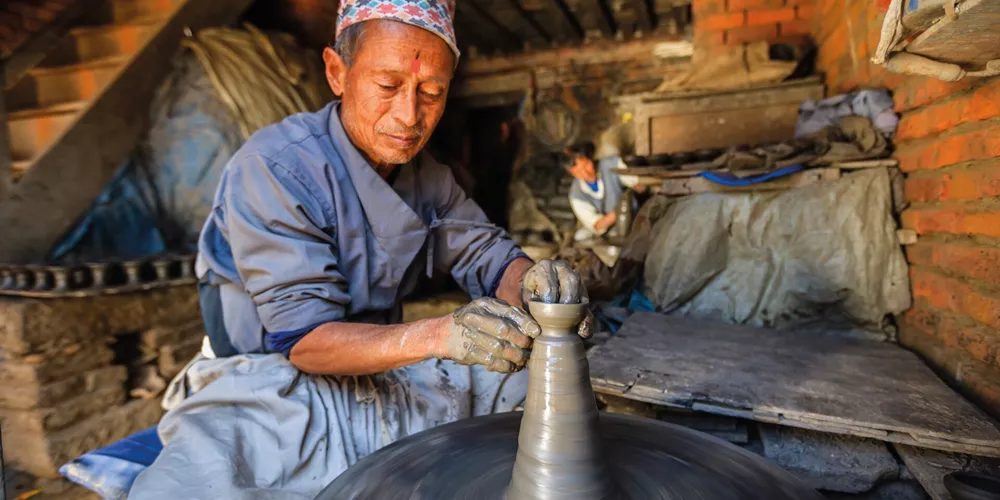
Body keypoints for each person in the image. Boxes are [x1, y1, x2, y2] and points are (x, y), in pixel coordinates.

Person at [128, 1, 592, 498]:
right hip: (271, 382)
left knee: (538, 390)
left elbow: (489, 256)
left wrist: (529, 280)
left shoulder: (430, 177)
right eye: (388, 86)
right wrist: (440, 335)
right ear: (337, 72)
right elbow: (305, 341)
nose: (410, 115)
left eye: (431, 93)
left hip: (385, 366)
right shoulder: (273, 168)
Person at [563, 141, 643, 241]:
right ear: (573, 173)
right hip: (610, 236)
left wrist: (636, 189)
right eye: (579, 171)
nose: (586, 173)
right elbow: (597, 225)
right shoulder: (576, 195)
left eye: (587, 165)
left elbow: (638, 183)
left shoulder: (611, 165)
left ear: (591, 159)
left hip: (636, 223)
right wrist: (620, 210)